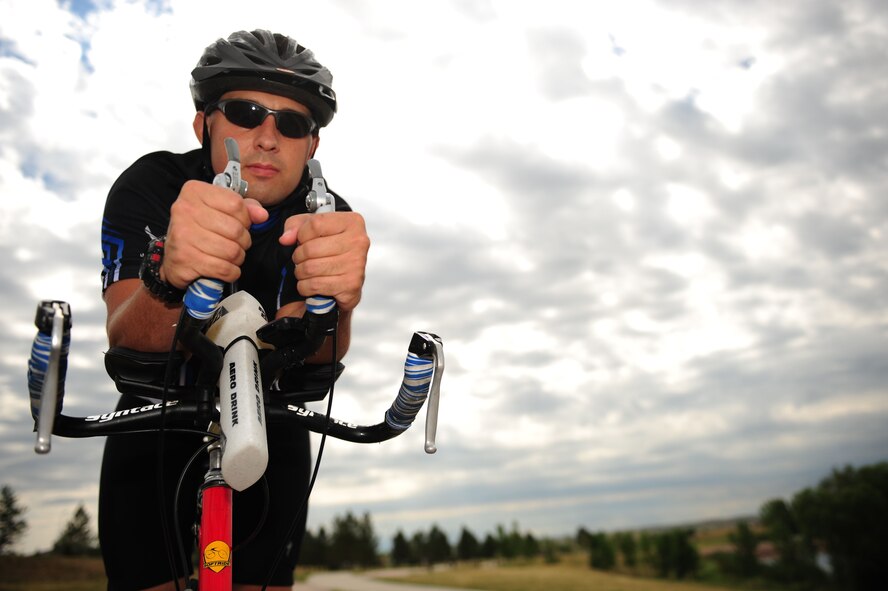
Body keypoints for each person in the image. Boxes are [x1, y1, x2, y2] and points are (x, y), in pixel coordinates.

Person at [97, 30, 370, 590]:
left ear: (312, 146)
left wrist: (337, 306)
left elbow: (322, 353)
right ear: (204, 125)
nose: (268, 137)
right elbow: (125, 336)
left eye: (292, 124)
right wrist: (170, 279)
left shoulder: (326, 215)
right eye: (246, 113)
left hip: (270, 421)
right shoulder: (152, 184)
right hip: (156, 411)